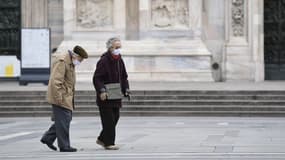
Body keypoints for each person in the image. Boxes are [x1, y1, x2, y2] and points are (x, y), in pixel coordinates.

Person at [40, 45, 88, 152]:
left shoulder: (70, 62)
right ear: (75, 55)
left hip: (67, 97)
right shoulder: (62, 62)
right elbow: (55, 81)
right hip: (61, 97)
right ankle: (64, 146)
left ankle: (48, 138)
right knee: (64, 120)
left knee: (64, 120)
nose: (80, 62)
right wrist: (59, 98)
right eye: (80, 59)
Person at [93, 37, 130, 150]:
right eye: (116, 47)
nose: (118, 49)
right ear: (110, 48)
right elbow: (97, 78)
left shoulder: (119, 60)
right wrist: (102, 91)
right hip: (106, 95)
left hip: (116, 94)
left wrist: (126, 89)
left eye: (119, 47)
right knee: (108, 119)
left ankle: (102, 138)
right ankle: (109, 143)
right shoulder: (103, 60)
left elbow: (124, 76)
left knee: (115, 117)